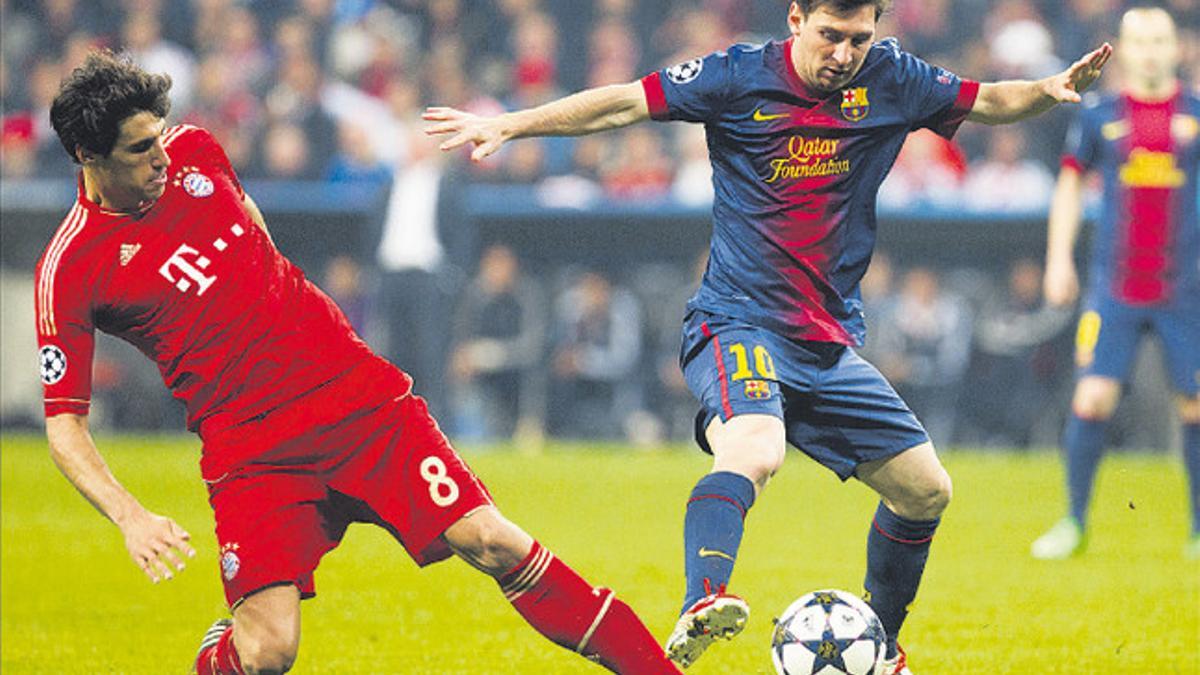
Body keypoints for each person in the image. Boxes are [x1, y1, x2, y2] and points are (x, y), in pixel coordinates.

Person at [425, 1, 1111, 671]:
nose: (844, 54)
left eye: (859, 38)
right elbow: (622, 103)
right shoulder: (734, 75)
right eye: (830, 35)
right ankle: (703, 600)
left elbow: (988, 100)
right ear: (794, 20)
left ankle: (882, 645)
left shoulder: (893, 78)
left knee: (926, 489)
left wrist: (1048, 91)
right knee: (756, 445)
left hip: (824, 341)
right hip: (736, 321)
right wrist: (512, 124)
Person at [36, 51, 681, 675]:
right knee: (266, 653)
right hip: (251, 449)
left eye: (157, 137)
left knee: (492, 539)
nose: (160, 157)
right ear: (87, 155)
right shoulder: (71, 267)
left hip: (352, 396)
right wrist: (132, 516)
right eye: (139, 149)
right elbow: (65, 426)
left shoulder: (196, 151)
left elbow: (252, 225)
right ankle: (222, 651)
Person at [1031, 7, 1200, 561]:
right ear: (1123, 50)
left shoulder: (1196, 115)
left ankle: (1198, 532)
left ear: (1176, 48)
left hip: (1186, 289)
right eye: (1139, 41)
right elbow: (1070, 187)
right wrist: (1059, 258)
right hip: (1116, 286)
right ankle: (1074, 523)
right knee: (1093, 397)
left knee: (1195, 406)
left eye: (1159, 40)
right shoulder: (1101, 115)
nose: (1150, 51)